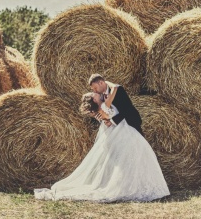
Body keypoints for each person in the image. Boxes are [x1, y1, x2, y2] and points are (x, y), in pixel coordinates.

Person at [34, 79, 170, 202]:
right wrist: (107, 83)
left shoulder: (102, 106)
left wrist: (108, 118)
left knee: (131, 158)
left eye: (94, 90)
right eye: (93, 93)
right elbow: (116, 89)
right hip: (122, 132)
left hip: (121, 130)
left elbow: (110, 115)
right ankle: (135, 187)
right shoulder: (105, 105)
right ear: (95, 101)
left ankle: (137, 185)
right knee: (134, 157)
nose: (95, 92)